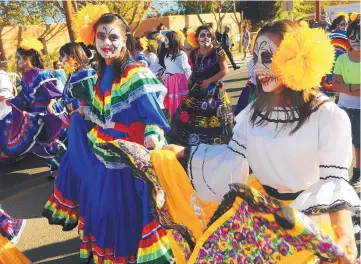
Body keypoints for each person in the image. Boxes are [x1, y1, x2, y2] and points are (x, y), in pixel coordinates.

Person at [164, 20, 360, 263]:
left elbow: (335, 183)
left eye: (266, 56)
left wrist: (345, 238)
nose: (257, 67)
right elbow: (231, 159)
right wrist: (185, 152)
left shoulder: (328, 117)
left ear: (296, 60)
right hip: (261, 222)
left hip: (307, 228)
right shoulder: (254, 113)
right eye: (255, 57)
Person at [42, 8, 173, 263]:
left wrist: (152, 139)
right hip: (102, 150)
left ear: (125, 39)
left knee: (123, 211)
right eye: (101, 37)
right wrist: (82, 110)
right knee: (104, 209)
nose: (106, 43)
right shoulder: (102, 73)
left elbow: (154, 119)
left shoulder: (136, 74)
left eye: (113, 37)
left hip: (127, 156)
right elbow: (104, 115)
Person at [167, 24, 233, 147]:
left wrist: (209, 81)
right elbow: (195, 70)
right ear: (197, 38)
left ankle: (213, 146)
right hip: (197, 89)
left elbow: (225, 71)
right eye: (202, 35)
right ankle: (197, 145)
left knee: (212, 119)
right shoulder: (194, 53)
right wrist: (190, 80)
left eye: (208, 35)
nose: (206, 37)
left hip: (214, 91)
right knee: (192, 118)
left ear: (212, 37)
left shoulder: (218, 51)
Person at [0, 38, 66, 162]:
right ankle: (57, 164)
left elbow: (56, 92)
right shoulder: (25, 77)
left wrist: (51, 104)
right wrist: (13, 101)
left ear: (28, 58)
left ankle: (62, 163)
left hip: (47, 111)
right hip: (35, 113)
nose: (17, 61)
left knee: (53, 138)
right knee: (42, 141)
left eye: (18, 58)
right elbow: (24, 95)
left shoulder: (41, 74)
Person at [47, 42, 97, 179]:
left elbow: (93, 101)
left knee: (77, 148)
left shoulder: (86, 74)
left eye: (63, 56)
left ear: (72, 56)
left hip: (87, 121)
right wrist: (55, 106)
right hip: (76, 120)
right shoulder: (72, 76)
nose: (62, 60)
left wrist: (74, 106)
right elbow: (66, 98)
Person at [332, 19, 360, 188]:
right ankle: (338, 173)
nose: (356, 40)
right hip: (343, 107)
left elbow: (340, 85)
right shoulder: (342, 59)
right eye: (352, 36)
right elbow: (335, 85)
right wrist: (355, 87)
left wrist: (346, 87)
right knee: (340, 141)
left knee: (359, 143)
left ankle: (357, 173)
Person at [321, 15, 351, 96]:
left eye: (346, 24)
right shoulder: (330, 36)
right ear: (337, 25)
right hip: (332, 64)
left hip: (343, 65)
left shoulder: (349, 36)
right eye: (342, 24)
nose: (344, 26)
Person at [163, 30, 191, 116]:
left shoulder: (181, 54)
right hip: (170, 81)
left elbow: (187, 69)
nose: (165, 42)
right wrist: (163, 79)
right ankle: (175, 119)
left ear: (173, 40)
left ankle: (183, 119)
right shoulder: (167, 55)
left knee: (181, 102)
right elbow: (167, 69)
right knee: (172, 103)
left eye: (166, 39)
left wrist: (190, 82)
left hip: (180, 82)